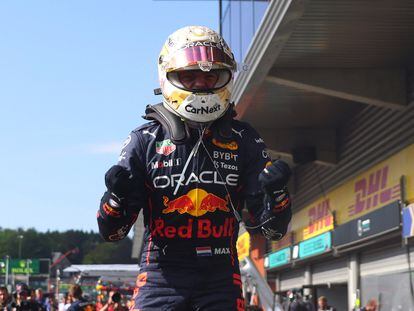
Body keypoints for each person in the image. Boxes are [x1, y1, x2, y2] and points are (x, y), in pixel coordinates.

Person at [97, 25, 292, 310]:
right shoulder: (144, 140)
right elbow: (111, 233)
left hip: (221, 275)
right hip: (160, 274)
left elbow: (272, 231)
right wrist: (116, 198)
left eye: (210, 75)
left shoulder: (245, 139)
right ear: (169, 76)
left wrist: (278, 195)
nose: (201, 84)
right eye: (190, 76)